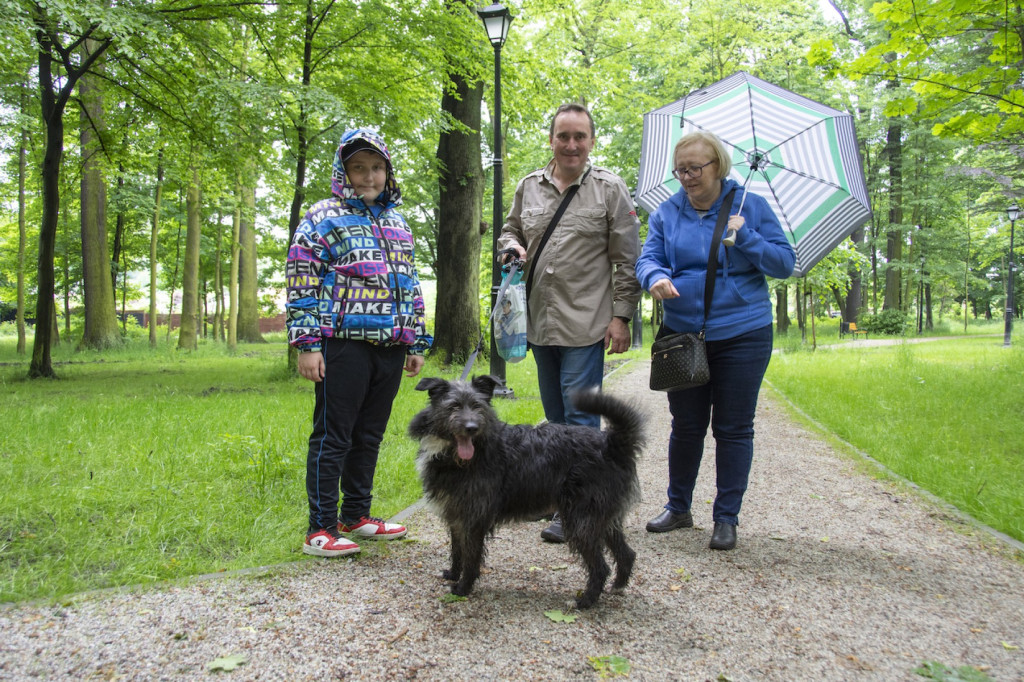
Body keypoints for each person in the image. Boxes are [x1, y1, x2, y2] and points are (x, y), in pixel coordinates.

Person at [635, 130, 795, 551]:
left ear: (718, 167)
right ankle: (678, 507)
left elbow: (784, 264)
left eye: (695, 168)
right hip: (683, 332)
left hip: (744, 333)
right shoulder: (667, 213)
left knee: (734, 427)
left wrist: (747, 237)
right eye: (680, 169)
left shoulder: (751, 207)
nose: (686, 177)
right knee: (686, 426)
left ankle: (726, 518)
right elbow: (648, 257)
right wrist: (655, 277)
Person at [498, 103, 642, 543]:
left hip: (586, 323)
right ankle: (564, 497)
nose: (572, 144)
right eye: (564, 136)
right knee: (556, 419)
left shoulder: (609, 189)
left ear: (591, 141)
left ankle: (584, 508)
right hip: (539, 324)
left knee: (579, 420)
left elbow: (628, 260)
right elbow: (510, 231)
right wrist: (510, 248)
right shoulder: (529, 187)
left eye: (580, 136)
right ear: (552, 140)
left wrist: (621, 317)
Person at [286, 128, 432, 557]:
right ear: (343, 172)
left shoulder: (397, 222)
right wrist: (308, 342)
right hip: (342, 344)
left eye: (376, 167)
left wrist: (416, 340)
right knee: (334, 435)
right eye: (358, 168)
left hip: (390, 345)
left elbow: (409, 283)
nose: (368, 176)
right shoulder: (322, 218)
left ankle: (357, 516)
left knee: (369, 434)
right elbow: (301, 281)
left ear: (387, 171)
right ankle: (321, 527)